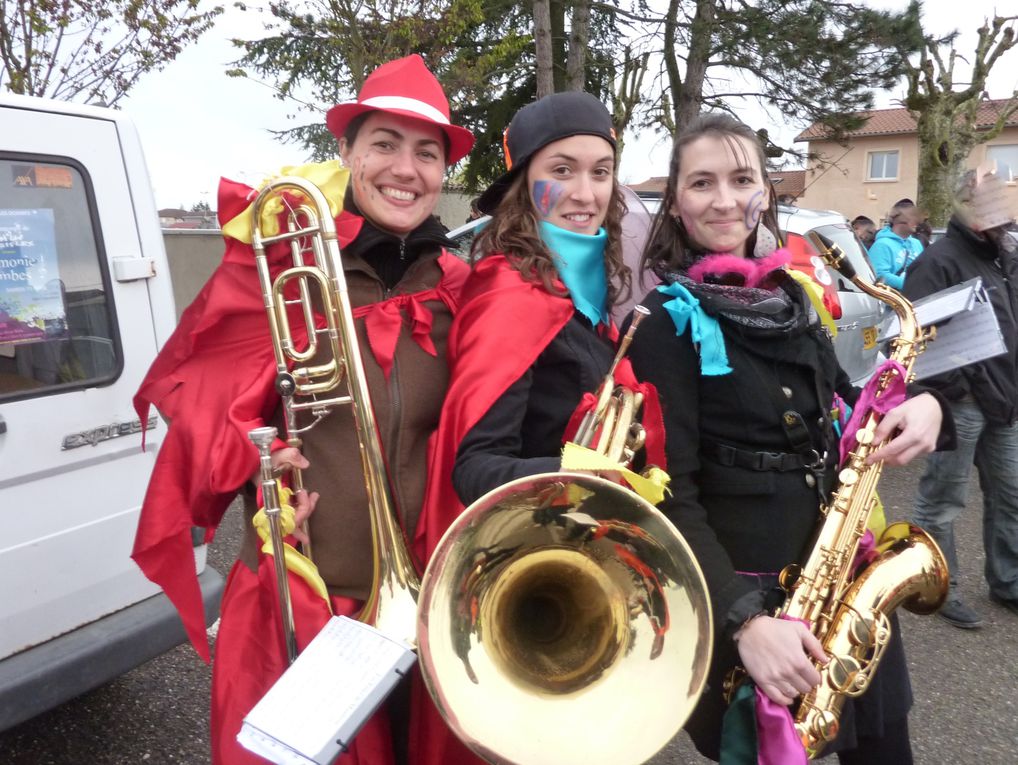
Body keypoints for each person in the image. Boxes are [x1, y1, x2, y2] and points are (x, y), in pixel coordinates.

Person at [131, 54, 485, 765]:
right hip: (324, 596)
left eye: (427, 152)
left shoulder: (464, 288)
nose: (405, 169)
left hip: (440, 601)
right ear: (348, 150)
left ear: (444, 172)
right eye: (384, 143)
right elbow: (200, 401)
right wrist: (258, 450)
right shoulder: (281, 273)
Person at [625, 113, 953, 763]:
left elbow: (846, 402)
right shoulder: (662, 325)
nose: (724, 199)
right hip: (755, 606)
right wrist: (744, 622)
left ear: (765, 192)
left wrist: (924, 403)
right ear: (677, 202)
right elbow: (668, 499)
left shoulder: (798, 295)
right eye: (701, 182)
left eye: (741, 178)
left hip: (846, 581)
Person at [418, 89, 654, 557]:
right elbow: (475, 468)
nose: (586, 194)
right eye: (562, 170)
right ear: (524, 184)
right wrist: (587, 478)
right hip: (526, 551)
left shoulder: (583, 289)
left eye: (600, 172)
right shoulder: (511, 295)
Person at [904, 168, 1018, 630]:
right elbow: (914, 338)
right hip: (962, 404)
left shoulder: (1003, 256)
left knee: (1011, 496)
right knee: (943, 500)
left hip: (1006, 403)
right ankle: (940, 587)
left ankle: (1008, 581)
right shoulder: (938, 261)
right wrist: (955, 390)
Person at [867, 201, 924, 289]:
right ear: (901, 220)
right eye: (913, 218)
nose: (917, 222)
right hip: (893, 301)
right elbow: (879, 275)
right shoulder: (881, 245)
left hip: (918, 300)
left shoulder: (917, 244)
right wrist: (911, 285)